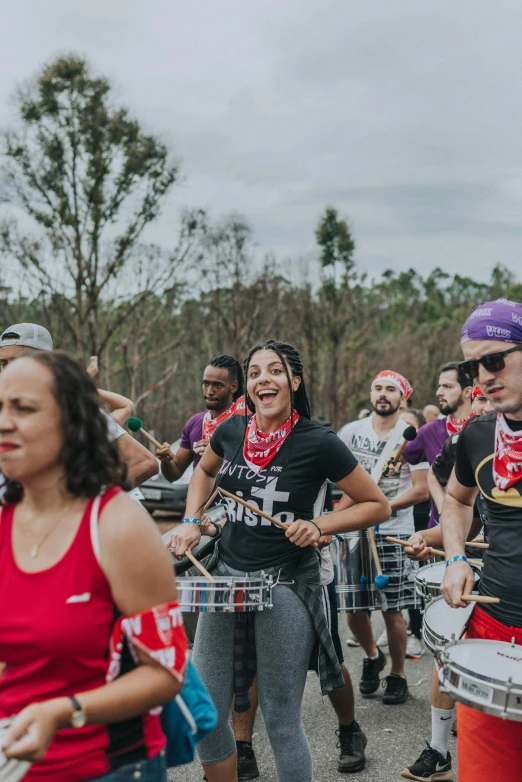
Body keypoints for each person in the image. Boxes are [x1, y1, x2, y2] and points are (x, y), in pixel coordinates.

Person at [167, 340, 390, 782]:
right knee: (204, 715)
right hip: (226, 578)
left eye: (274, 370)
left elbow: (376, 505)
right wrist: (193, 518)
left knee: (282, 719)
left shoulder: (319, 441)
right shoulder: (231, 430)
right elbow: (204, 471)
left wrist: (322, 525)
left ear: (295, 381)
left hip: (286, 583)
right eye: (254, 373)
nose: (262, 379)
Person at [0, 350, 187, 781]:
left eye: (24, 408)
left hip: (106, 766)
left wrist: (65, 712)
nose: (5, 422)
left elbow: (167, 672)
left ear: (72, 423)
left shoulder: (119, 526)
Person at [440, 298, 522, 782]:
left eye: (495, 359)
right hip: (493, 632)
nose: (483, 375)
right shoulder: (478, 434)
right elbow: (456, 500)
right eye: (474, 365)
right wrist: (455, 557)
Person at [337, 371, 429, 705]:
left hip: (394, 531)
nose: (383, 394)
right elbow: (334, 475)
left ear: (403, 397)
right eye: (377, 388)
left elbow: (420, 491)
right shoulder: (351, 432)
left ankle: (398, 674)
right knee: (352, 608)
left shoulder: (412, 436)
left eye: (391, 389)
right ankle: (373, 656)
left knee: (393, 610)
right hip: (352, 531)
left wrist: (380, 508)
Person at [0, 324, 158, 488]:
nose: (10, 371)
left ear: (45, 362)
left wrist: (85, 506)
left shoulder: (74, 408)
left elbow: (144, 463)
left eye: (19, 362)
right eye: (4, 363)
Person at [403, 363, 473, 528]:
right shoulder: (429, 431)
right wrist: (392, 459)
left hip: (483, 534)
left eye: (447, 386)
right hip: (439, 532)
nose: (439, 392)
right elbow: (403, 457)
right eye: (439, 386)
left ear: (467, 391)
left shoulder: (487, 428)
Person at [156, 355, 244, 479]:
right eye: (206, 384)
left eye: (217, 385)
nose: (209, 391)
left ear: (233, 387)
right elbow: (174, 473)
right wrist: (166, 461)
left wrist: (217, 453)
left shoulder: (246, 422)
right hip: (201, 497)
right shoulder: (195, 423)